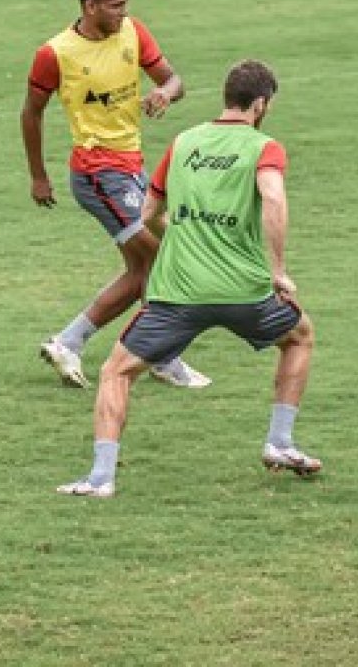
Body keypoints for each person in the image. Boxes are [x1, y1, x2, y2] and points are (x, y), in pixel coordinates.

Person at [57, 60, 319, 497]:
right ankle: (279, 442)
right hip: (245, 292)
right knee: (300, 338)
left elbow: (147, 213)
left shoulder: (184, 143)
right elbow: (272, 198)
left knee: (116, 372)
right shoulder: (264, 148)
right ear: (260, 104)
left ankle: (101, 478)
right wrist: (277, 270)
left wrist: (181, 238)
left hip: (176, 294)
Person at [21, 0, 210, 391]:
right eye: (115, 5)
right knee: (161, 260)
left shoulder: (133, 32)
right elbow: (30, 112)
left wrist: (165, 91)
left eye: (126, 2)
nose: (124, 11)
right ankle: (162, 356)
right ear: (90, 6)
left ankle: (68, 342)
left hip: (131, 168)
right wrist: (38, 176)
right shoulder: (56, 53)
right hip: (98, 174)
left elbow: (174, 79)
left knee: (143, 270)